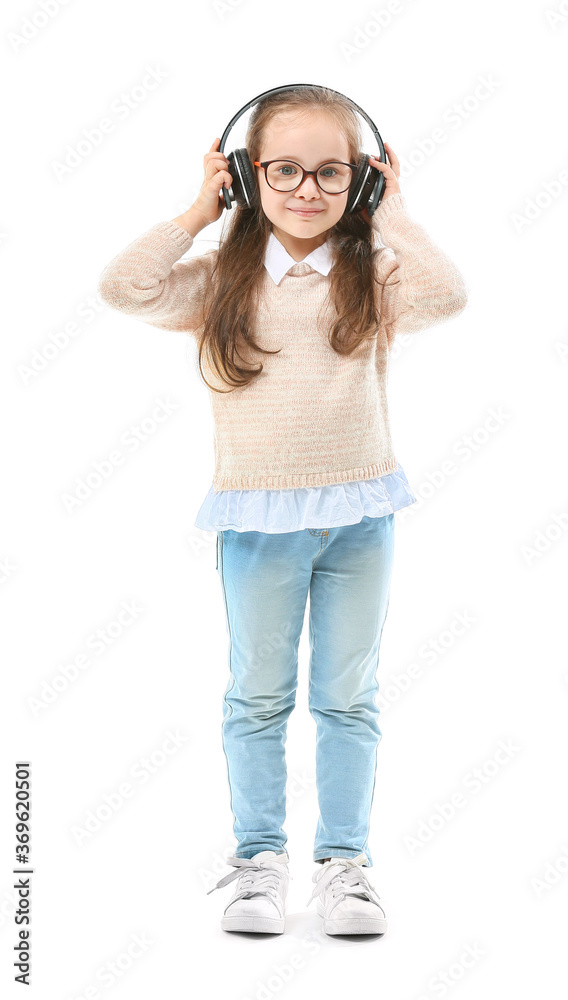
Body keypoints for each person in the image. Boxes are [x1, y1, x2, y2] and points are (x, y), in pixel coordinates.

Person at [97, 85, 468, 937]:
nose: (307, 188)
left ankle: (345, 866)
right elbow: (124, 286)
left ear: (362, 182)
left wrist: (396, 215)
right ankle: (260, 861)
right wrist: (198, 210)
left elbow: (448, 298)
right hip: (257, 526)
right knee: (258, 696)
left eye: (332, 172)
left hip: (361, 518)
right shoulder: (218, 282)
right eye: (285, 169)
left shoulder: (374, 271)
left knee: (348, 696)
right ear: (245, 174)